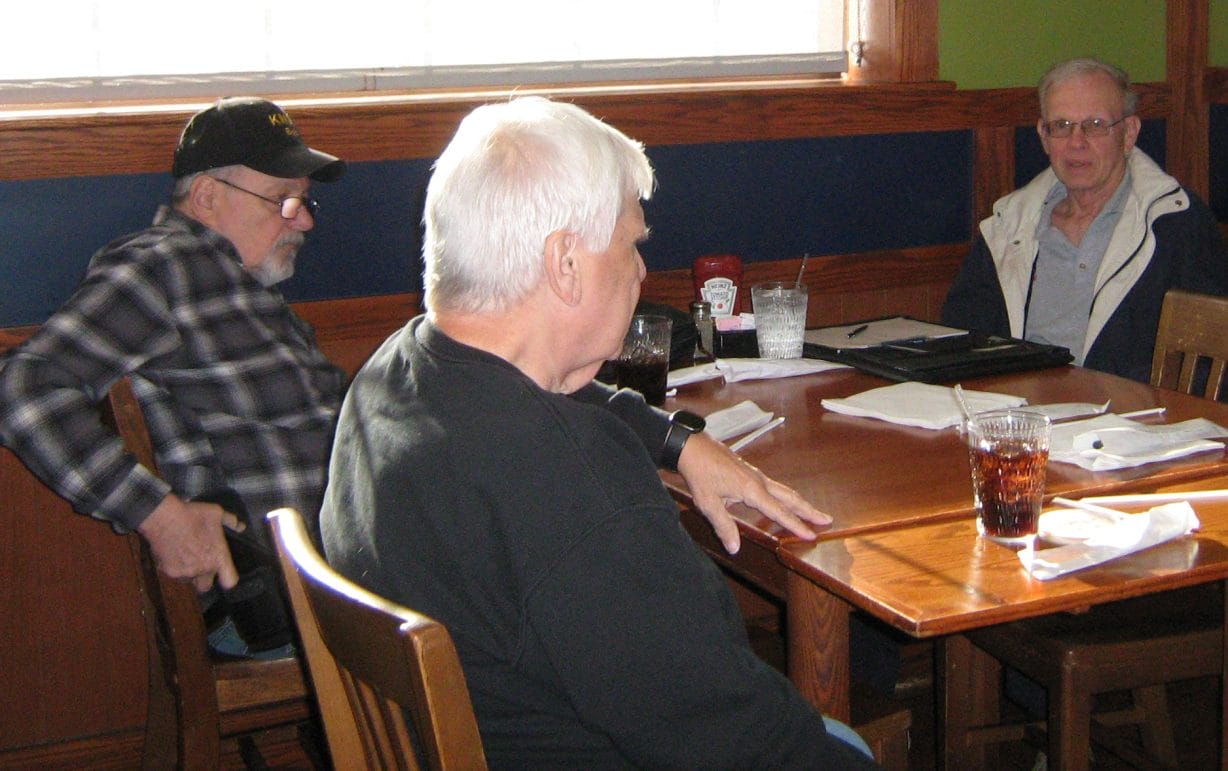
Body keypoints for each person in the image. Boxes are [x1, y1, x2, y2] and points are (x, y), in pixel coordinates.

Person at [320, 96, 878, 768]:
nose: (642, 270)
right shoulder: (567, 485)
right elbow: (745, 743)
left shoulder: (394, 373)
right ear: (566, 261)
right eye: (632, 242)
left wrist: (678, 439)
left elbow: (565, 391)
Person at [0, 96, 348, 655]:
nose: (303, 220)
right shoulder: (161, 265)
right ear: (208, 197)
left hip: (346, 570)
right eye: (283, 201)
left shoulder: (243, 290)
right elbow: (25, 387)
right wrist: (161, 517)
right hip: (285, 597)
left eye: (303, 202)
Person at [942, 57, 1228, 382]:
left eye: (1094, 125)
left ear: (1129, 133)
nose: (1076, 143)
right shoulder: (1008, 228)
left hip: (1133, 422)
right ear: (1043, 136)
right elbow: (961, 343)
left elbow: (1211, 363)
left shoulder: (1175, 225)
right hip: (1020, 417)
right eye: (1061, 126)